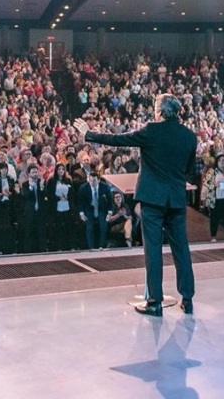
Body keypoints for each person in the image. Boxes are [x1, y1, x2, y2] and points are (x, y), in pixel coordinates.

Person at [74, 92, 197, 317]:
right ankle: (187, 299)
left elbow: (119, 140)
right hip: (177, 200)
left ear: (160, 111)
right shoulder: (189, 136)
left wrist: (88, 134)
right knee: (181, 249)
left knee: (153, 250)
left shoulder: (151, 131)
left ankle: (154, 302)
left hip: (152, 199)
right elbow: (190, 169)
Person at [78, 171, 113, 249]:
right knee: (89, 227)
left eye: (94, 180)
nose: (92, 183)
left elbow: (110, 201)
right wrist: (82, 214)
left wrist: (109, 213)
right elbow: (80, 202)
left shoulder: (105, 187)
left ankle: (102, 246)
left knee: (103, 226)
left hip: (101, 208)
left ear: (98, 180)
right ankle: (91, 247)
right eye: (90, 180)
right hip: (89, 208)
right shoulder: (83, 188)